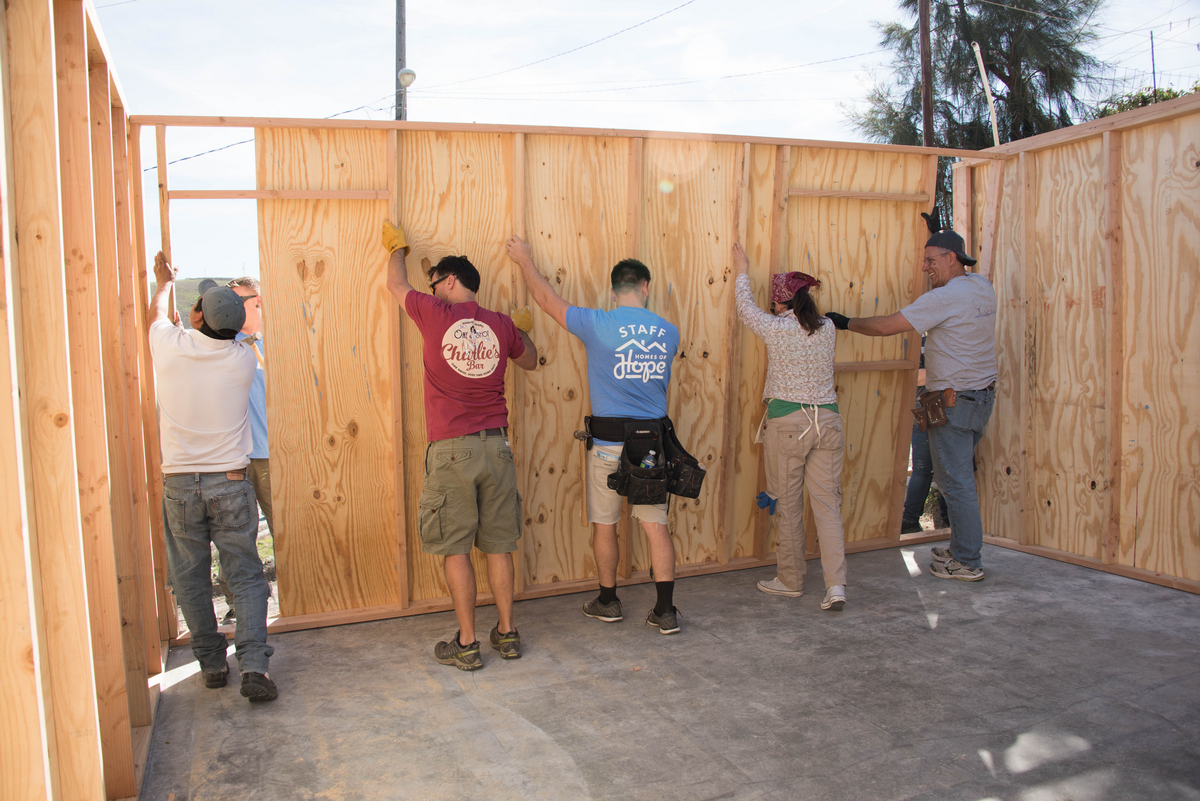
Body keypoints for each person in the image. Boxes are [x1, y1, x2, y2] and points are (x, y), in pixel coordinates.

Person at [505, 235, 683, 635]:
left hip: (608, 445)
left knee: (605, 524)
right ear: (646, 287)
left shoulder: (598, 324)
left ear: (613, 291)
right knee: (656, 526)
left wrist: (524, 260)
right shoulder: (668, 332)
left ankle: (608, 602)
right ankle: (665, 611)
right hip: (650, 447)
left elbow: (547, 300)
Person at [384, 221, 538, 670]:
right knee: (499, 546)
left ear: (450, 281)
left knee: (456, 547)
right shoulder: (501, 324)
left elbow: (395, 284)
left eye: (435, 282)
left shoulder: (435, 312)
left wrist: (398, 249)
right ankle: (507, 634)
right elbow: (530, 361)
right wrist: (520, 331)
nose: (431, 289)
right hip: (498, 449)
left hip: (453, 450)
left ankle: (467, 643)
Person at [826, 229, 997, 581]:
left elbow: (888, 326)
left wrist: (845, 322)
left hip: (955, 404)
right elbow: (952, 261)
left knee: (956, 483)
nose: (924, 267)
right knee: (958, 478)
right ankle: (962, 547)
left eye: (931, 260)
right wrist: (937, 235)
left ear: (952, 259)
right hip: (980, 398)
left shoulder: (945, 297)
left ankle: (967, 561)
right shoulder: (981, 286)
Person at [149, 253, 277, 702]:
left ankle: (211, 665)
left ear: (196, 317)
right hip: (231, 481)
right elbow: (226, 333)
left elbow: (157, 318)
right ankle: (254, 665)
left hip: (180, 485)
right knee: (245, 575)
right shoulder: (242, 359)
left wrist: (164, 283)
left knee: (191, 578)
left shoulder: (169, 347)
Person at [732, 242, 847, 611]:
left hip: (788, 425)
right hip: (828, 422)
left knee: (789, 505)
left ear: (780, 304)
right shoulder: (828, 327)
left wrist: (742, 270)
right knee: (828, 508)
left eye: (774, 303)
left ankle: (791, 581)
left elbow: (744, 308)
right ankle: (836, 586)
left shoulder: (776, 328)